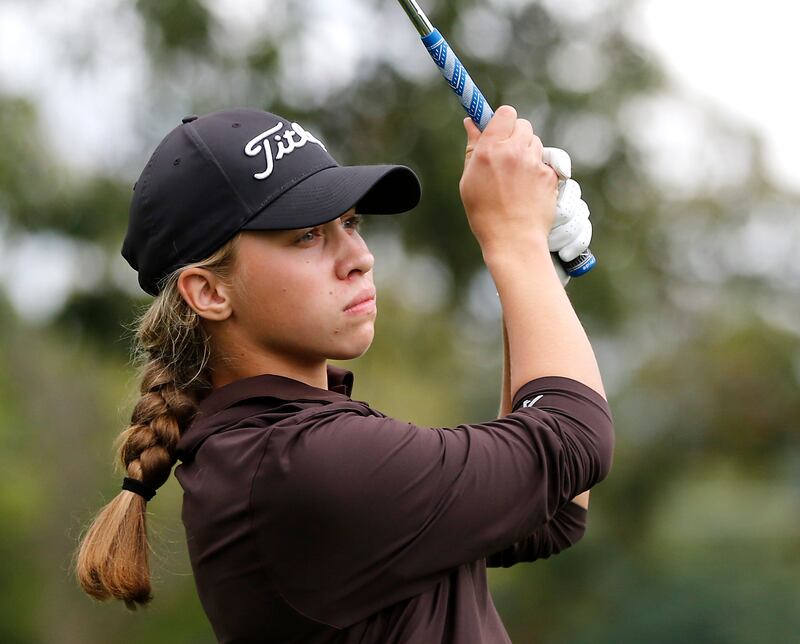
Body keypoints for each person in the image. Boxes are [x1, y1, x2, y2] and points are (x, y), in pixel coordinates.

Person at [74, 105, 613, 643]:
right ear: (210, 292)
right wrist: (515, 237)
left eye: (350, 222)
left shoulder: (284, 441)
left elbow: (551, 513)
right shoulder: (294, 465)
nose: (358, 256)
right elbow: (576, 437)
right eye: (307, 235)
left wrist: (541, 271)